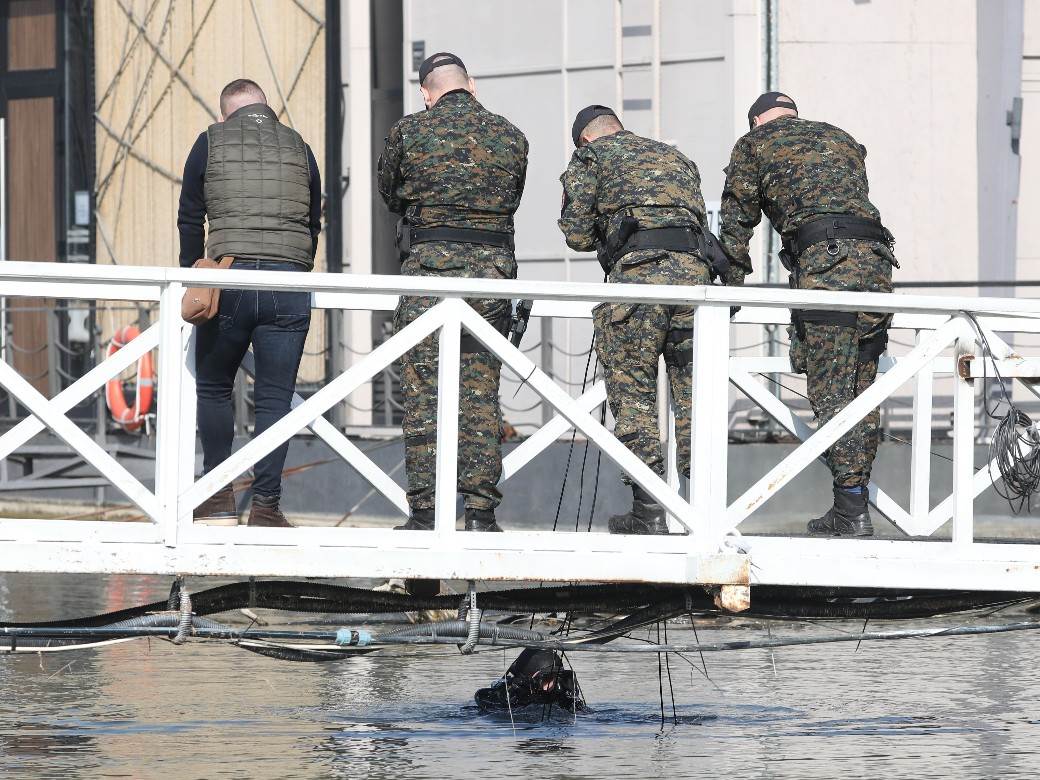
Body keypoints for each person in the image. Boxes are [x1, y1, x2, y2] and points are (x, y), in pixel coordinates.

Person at [719, 92, 898, 538]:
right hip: (877, 263)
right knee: (862, 388)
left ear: (756, 121)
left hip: (826, 265)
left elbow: (737, 220)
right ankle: (851, 503)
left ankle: (851, 509)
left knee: (831, 388)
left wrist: (730, 287)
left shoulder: (755, 144)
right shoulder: (841, 138)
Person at [377, 52, 528, 532]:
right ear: (472, 85)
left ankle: (426, 511)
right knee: (480, 393)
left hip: (430, 275)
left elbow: (390, 195)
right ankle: (481, 513)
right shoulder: (510, 135)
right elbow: (512, 199)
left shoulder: (408, 131)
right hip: (491, 279)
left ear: (426, 93)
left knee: (425, 393)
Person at [558, 106, 716, 535]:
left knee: (634, 396)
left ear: (585, 139)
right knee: (694, 398)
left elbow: (576, 235)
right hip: (695, 286)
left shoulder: (591, 158)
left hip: (639, 283)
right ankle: (703, 508)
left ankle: (649, 510)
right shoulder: (677, 158)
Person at [177, 78, 322, 528]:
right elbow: (313, 222)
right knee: (275, 398)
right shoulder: (300, 147)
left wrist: (192, 273)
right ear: (266, 107)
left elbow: (189, 217)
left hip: (230, 277)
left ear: (225, 115)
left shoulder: (210, 141)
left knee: (215, 387)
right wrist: (297, 265)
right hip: (289, 280)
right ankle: (266, 507)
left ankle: (218, 497)